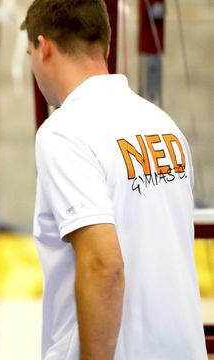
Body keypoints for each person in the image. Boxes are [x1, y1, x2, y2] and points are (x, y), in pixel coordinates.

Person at [21, 0, 207, 359]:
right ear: (105, 46)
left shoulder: (63, 132)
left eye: (30, 53)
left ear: (43, 47)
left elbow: (104, 264)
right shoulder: (163, 125)